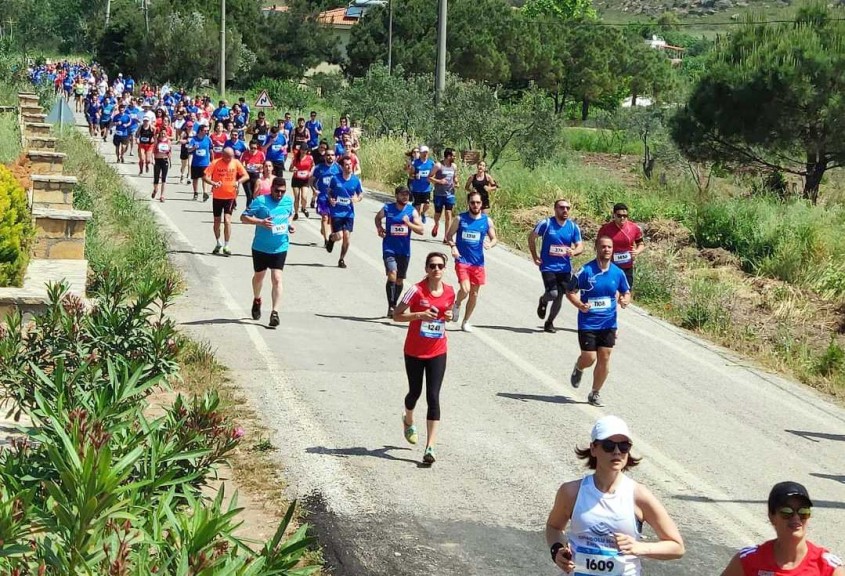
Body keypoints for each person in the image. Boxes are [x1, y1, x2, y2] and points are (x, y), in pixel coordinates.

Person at [545, 415, 685, 574]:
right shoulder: (571, 492)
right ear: (593, 449)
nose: (617, 451)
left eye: (624, 446)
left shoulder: (639, 495)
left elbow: (677, 546)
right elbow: (554, 527)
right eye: (609, 445)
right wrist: (557, 550)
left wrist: (639, 548)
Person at [392, 252, 456, 465]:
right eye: (432, 266)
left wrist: (449, 316)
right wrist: (419, 315)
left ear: (444, 269)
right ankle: (408, 419)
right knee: (415, 393)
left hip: (438, 350)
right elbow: (396, 315)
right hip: (414, 351)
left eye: (440, 266)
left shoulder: (449, 292)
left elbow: (452, 314)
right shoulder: (415, 290)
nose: (436, 269)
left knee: (433, 396)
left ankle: (430, 447)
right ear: (426, 269)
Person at [720, 481, 844, 576]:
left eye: (803, 511)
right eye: (786, 511)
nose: (796, 518)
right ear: (772, 516)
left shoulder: (828, 568)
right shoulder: (748, 560)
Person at [567, 236, 631, 407]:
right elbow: (570, 291)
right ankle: (579, 367)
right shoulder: (585, 271)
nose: (607, 250)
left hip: (609, 323)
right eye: (603, 247)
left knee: (605, 357)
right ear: (596, 248)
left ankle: (595, 393)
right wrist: (580, 305)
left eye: (609, 247)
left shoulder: (618, 273)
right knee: (589, 357)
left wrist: (625, 300)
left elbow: (626, 292)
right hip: (588, 323)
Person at [240, 176, 296, 329]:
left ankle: (275, 312)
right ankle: (257, 299)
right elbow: (243, 217)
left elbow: (289, 215)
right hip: (260, 247)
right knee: (259, 278)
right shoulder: (260, 201)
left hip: (280, 246)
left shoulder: (288, 201)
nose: (279, 194)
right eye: (277, 191)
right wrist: (260, 222)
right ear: (271, 188)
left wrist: (289, 225)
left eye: (282, 192)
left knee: (277, 278)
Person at [529, 199, 584, 333]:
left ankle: (549, 323)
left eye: (567, 208)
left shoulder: (572, 227)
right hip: (548, 267)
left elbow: (580, 246)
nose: (565, 210)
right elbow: (531, 238)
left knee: (560, 296)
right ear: (555, 209)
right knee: (553, 294)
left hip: (565, 268)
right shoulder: (546, 224)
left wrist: (574, 252)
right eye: (561, 207)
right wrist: (535, 256)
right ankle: (543, 300)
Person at [446, 192, 498, 333]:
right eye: (473, 202)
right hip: (462, 260)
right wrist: (453, 246)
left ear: (482, 204)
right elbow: (449, 235)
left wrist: (490, 244)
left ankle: (465, 321)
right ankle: (457, 304)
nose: (475, 205)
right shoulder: (460, 219)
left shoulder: (487, 221)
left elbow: (494, 238)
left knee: (474, 294)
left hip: (478, 263)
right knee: (465, 289)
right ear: (468, 203)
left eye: (478, 203)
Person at [375, 185, 425, 317]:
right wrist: (379, 228)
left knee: (399, 280)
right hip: (389, 248)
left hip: (404, 251)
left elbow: (421, 230)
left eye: (407, 195)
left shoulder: (411, 211)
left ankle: (394, 302)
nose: (405, 197)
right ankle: (391, 306)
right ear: (396, 195)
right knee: (392, 274)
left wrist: (409, 224)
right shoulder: (388, 208)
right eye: (402, 194)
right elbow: (377, 218)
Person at [203, 147, 249, 256]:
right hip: (217, 197)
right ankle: (218, 243)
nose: (229, 159)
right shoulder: (215, 163)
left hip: (230, 196)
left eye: (231, 157)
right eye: (227, 157)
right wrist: (213, 183)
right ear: (222, 155)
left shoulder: (236, 162)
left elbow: (246, 176)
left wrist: (238, 182)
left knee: (227, 220)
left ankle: (227, 245)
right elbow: (205, 176)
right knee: (217, 221)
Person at [597, 203, 645, 290]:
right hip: (610, 266)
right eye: (619, 215)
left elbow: (641, 244)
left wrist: (637, 251)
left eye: (625, 216)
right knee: (612, 292)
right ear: (614, 215)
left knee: (626, 293)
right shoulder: (605, 228)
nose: (622, 218)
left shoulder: (634, 228)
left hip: (627, 267)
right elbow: (598, 246)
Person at [327, 156, 363, 268]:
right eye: (346, 165)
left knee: (347, 236)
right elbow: (329, 191)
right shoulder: (335, 178)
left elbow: (360, 194)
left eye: (350, 164)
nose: (349, 166)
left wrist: (357, 199)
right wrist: (330, 199)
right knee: (339, 236)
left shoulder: (355, 180)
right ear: (342, 167)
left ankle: (341, 259)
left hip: (349, 213)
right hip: (336, 212)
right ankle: (331, 239)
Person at [310, 149, 340, 249]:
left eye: (332, 155)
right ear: (324, 156)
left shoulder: (338, 168)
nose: (330, 157)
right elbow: (312, 180)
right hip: (323, 197)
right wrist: (314, 190)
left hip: (334, 198)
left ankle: (324, 231)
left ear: (335, 157)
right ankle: (326, 240)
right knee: (325, 218)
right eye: (328, 155)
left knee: (331, 220)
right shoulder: (319, 168)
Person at [430, 147, 459, 240]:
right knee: (437, 214)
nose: (455, 157)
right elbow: (429, 177)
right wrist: (439, 181)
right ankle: (436, 224)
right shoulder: (438, 165)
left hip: (450, 194)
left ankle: (446, 237)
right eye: (454, 156)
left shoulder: (454, 166)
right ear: (449, 156)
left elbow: (455, 177)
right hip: (439, 194)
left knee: (448, 213)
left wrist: (456, 182)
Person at [408, 145, 434, 224]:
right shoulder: (415, 163)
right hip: (417, 188)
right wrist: (415, 176)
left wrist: (431, 179)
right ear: (421, 153)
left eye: (426, 152)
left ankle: (423, 213)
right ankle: (416, 222)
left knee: (427, 204)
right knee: (418, 207)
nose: (425, 154)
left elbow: (434, 174)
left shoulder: (431, 163)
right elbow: (410, 175)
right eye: (423, 152)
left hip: (426, 188)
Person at [290, 143, 315, 220]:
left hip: (305, 180)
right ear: (300, 150)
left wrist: (311, 172)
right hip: (296, 179)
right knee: (296, 198)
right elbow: (290, 168)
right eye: (302, 150)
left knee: (304, 197)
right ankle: (296, 213)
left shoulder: (310, 158)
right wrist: (293, 169)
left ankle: (303, 208)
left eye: (305, 150)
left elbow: (313, 165)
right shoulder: (295, 158)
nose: (304, 151)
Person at [240, 140, 266, 208]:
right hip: (247, 175)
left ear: (257, 147)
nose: (253, 150)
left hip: (256, 175)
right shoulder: (244, 153)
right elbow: (240, 164)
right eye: (251, 148)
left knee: (255, 195)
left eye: (255, 148)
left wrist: (259, 165)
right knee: (249, 195)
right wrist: (244, 166)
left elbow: (265, 164)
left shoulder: (261, 154)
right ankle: (248, 211)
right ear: (249, 146)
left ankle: (255, 209)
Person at [151, 129, 172, 203]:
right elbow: (153, 151)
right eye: (162, 133)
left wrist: (170, 160)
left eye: (164, 133)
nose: (163, 135)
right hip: (157, 160)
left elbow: (169, 151)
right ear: (159, 133)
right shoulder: (157, 141)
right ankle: (155, 189)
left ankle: (162, 196)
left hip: (164, 160)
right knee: (156, 178)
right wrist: (153, 159)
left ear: (166, 134)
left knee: (164, 179)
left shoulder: (168, 142)